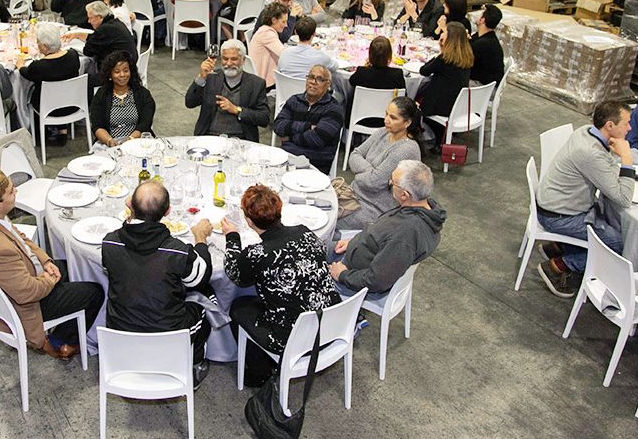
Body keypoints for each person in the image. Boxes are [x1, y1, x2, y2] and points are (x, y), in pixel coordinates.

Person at [0, 168, 104, 360]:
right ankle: (61, 342)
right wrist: (50, 280)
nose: (16, 191)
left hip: (23, 275)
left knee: (73, 267)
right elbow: (28, 293)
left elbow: (18, 236)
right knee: (95, 292)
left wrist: (45, 261)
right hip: (25, 304)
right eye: (11, 191)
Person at [221, 184, 339, 385]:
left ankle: (260, 372)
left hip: (294, 338)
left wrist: (232, 236)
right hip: (331, 321)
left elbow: (235, 275)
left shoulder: (257, 254)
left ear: (249, 221)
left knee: (238, 306)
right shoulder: (304, 232)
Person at [102, 180, 213, 386]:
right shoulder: (177, 251)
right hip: (168, 335)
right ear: (168, 211)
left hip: (121, 331)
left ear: (130, 206)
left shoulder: (109, 242)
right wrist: (200, 239)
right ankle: (195, 364)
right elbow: (200, 278)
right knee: (207, 298)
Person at [536, 100, 636, 298]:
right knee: (618, 243)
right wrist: (627, 158)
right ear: (610, 125)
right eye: (626, 123)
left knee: (607, 220)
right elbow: (623, 198)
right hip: (560, 216)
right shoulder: (591, 153)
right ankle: (560, 266)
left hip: (555, 203)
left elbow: (607, 170)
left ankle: (560, 247)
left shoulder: (586, 131)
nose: (630, 128)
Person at [329, 161, 445, 299]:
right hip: (357, 257)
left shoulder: (405, 235)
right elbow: (382, 236)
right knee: (312, 242)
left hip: (353, 281)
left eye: (393, 182)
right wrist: (354, 242)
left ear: (404, 195)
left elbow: (376, 280)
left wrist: (342, 275)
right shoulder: (424, 208)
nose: (389, 182)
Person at [338, 97, 424, 231]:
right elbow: (354, 154)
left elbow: (373, 182)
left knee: (330, 219)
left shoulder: (406, 149)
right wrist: (370, 171)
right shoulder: (384, 132)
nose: (386, 120)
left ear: (407, 123)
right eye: (386, 114)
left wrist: (359, 174)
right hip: (354, 194)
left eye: (393, 118)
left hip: (376, 208)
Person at [185, 39, 270, 141]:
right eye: (225, 59)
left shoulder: (256, 84)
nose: (229, 63)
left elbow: (264, 118)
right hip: (210, 136)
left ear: (243, 60)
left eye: (234, 59)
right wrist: (201, 77)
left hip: (241, 139)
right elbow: (189, 102)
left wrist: (237, 110)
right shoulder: (210, 77)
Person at [18, 23, 81, 145]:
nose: (37, 45)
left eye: (38, 43)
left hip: (49, 109)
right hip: (73, 104)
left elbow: (26, 73)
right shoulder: (73, 55)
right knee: (61, 90)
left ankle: (41, 134)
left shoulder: (39, 66)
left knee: (32, 95)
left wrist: (20, 65)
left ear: (45, 47)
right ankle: (62, 129)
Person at [273, 65, 344, 173]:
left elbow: (317, 139)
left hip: (315, 164)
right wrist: (307, 126)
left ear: (328, 84)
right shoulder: (294, 100)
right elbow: (278, 126)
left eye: (319, 79)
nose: (313, 82)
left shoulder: (334, 108)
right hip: (287, 158)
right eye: (311, 77)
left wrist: (289, 138)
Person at [419, 22, 474, 146]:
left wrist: (440, 52)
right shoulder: (467, 56)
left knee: (417, 97)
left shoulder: (444, 58)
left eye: (444, 32)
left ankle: (434, 136)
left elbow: (424, 71)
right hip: (458, 103)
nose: (442, 35)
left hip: (441, 106)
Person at [90, 50, 155, 146]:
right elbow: (97, 125)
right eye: (117, 71)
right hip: (110, 143)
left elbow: (145, 123)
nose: (122, 75)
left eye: (126, 70)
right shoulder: (101, 95)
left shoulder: (142, 94)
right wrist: (109, 141)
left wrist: (130, 139)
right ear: (110, 74)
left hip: (138, 141)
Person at [62, 1, 138, 68]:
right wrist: (77, 35)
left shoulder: (104, 29)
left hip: (118, 69)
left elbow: (88, 51)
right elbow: (96, 37)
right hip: (129, 64)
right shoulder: (115, 22)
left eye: (91, 18)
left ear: (100, 17)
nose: (89, 21)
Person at [248, 2, 288, 89]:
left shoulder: (265, 30)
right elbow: (285, 54)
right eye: (283, 21)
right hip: (263, 81)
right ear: (273, 20)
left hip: (260, 76)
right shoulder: (266, 33)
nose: (286, 25)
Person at [470, 5, 505, 86]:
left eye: (480, 15)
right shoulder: (489, 37)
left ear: (482, 20)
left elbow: (463, 62)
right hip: (488, 82)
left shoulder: (482, 44)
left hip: (482, 86)